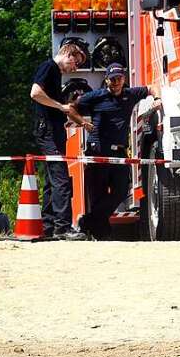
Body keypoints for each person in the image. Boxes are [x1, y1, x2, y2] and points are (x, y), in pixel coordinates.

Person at [74, 63, 159, 240]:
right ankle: (101, 233)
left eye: (119, 78)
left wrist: (157, 99)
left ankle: (87, 222)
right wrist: (82, 122)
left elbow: (151, 88)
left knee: (121, 191)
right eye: (112, 79)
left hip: (119, 152)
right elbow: (71, 107)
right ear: (106, 80)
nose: (116, 82)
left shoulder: (130, 94)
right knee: (98, 194)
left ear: (124, 79)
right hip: (98, 151)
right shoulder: (96, 97)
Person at [29, 38, 91, 241]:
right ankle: (63, 227)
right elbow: (35, 93)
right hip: (46, 129)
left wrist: (79, 121)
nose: (75, 68)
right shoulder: (48, 67)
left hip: (53, 129)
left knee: (51, 179)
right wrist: (60, 106)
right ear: (68, 54)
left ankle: (48, 226)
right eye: (76, 63)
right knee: (61, 177)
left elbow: (61, 107)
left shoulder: (55, 73)